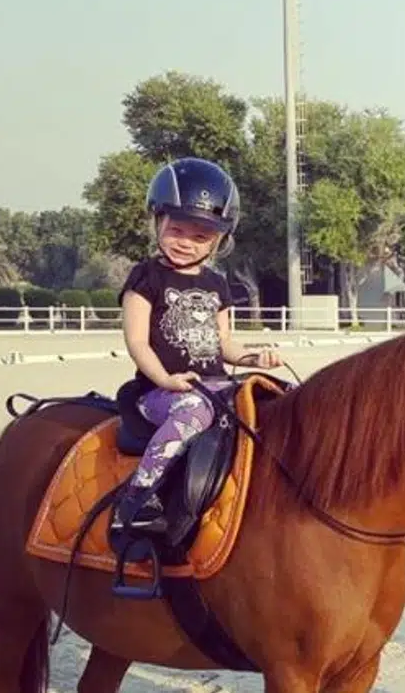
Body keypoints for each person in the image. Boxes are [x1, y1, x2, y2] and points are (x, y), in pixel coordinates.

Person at [110, 157, 283, 536]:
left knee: (278, 402)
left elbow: (224, 344)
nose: (186, 242)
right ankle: (137, 495)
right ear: (158, 221)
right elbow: (136, 341)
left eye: (200, 236)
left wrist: (256, 357)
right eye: (177, 229)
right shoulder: (146, 277)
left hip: (214, 387)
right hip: (161, 392)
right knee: (192, 413)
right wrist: (165, 380)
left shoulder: (217, 284)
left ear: (219, 240)